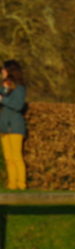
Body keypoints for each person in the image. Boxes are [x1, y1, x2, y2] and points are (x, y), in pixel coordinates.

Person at [0, 60, 27, 190]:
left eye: (4, 70)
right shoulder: (5, 87)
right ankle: (11, 185)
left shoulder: (20, 89)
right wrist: (4, 89)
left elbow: (18, 105)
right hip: (4, 126)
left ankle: (21, 184)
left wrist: (3, 100)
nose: (2, 72)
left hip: (15, 126)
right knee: (8, 158)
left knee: (16, 157)